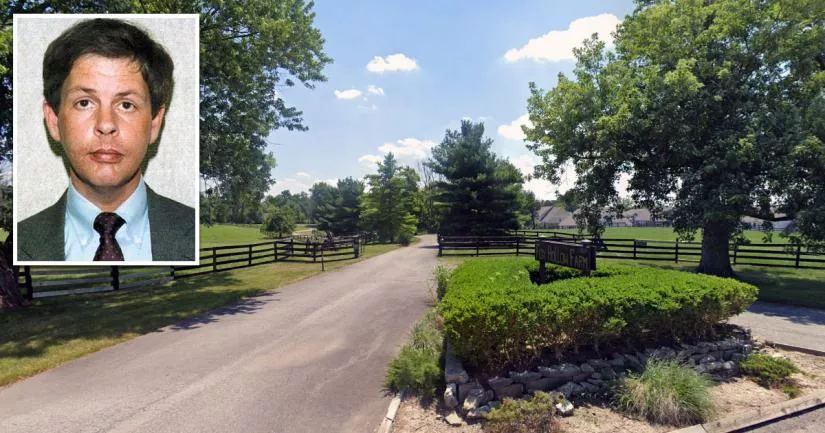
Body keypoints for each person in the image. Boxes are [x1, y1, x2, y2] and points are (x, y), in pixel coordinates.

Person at [17, 18, 195, 262]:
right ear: (53, 120)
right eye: (84, 103)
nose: (106, 124)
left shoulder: (193, 232)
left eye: (126, 105)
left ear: (154, 123)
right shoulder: (18, 244)